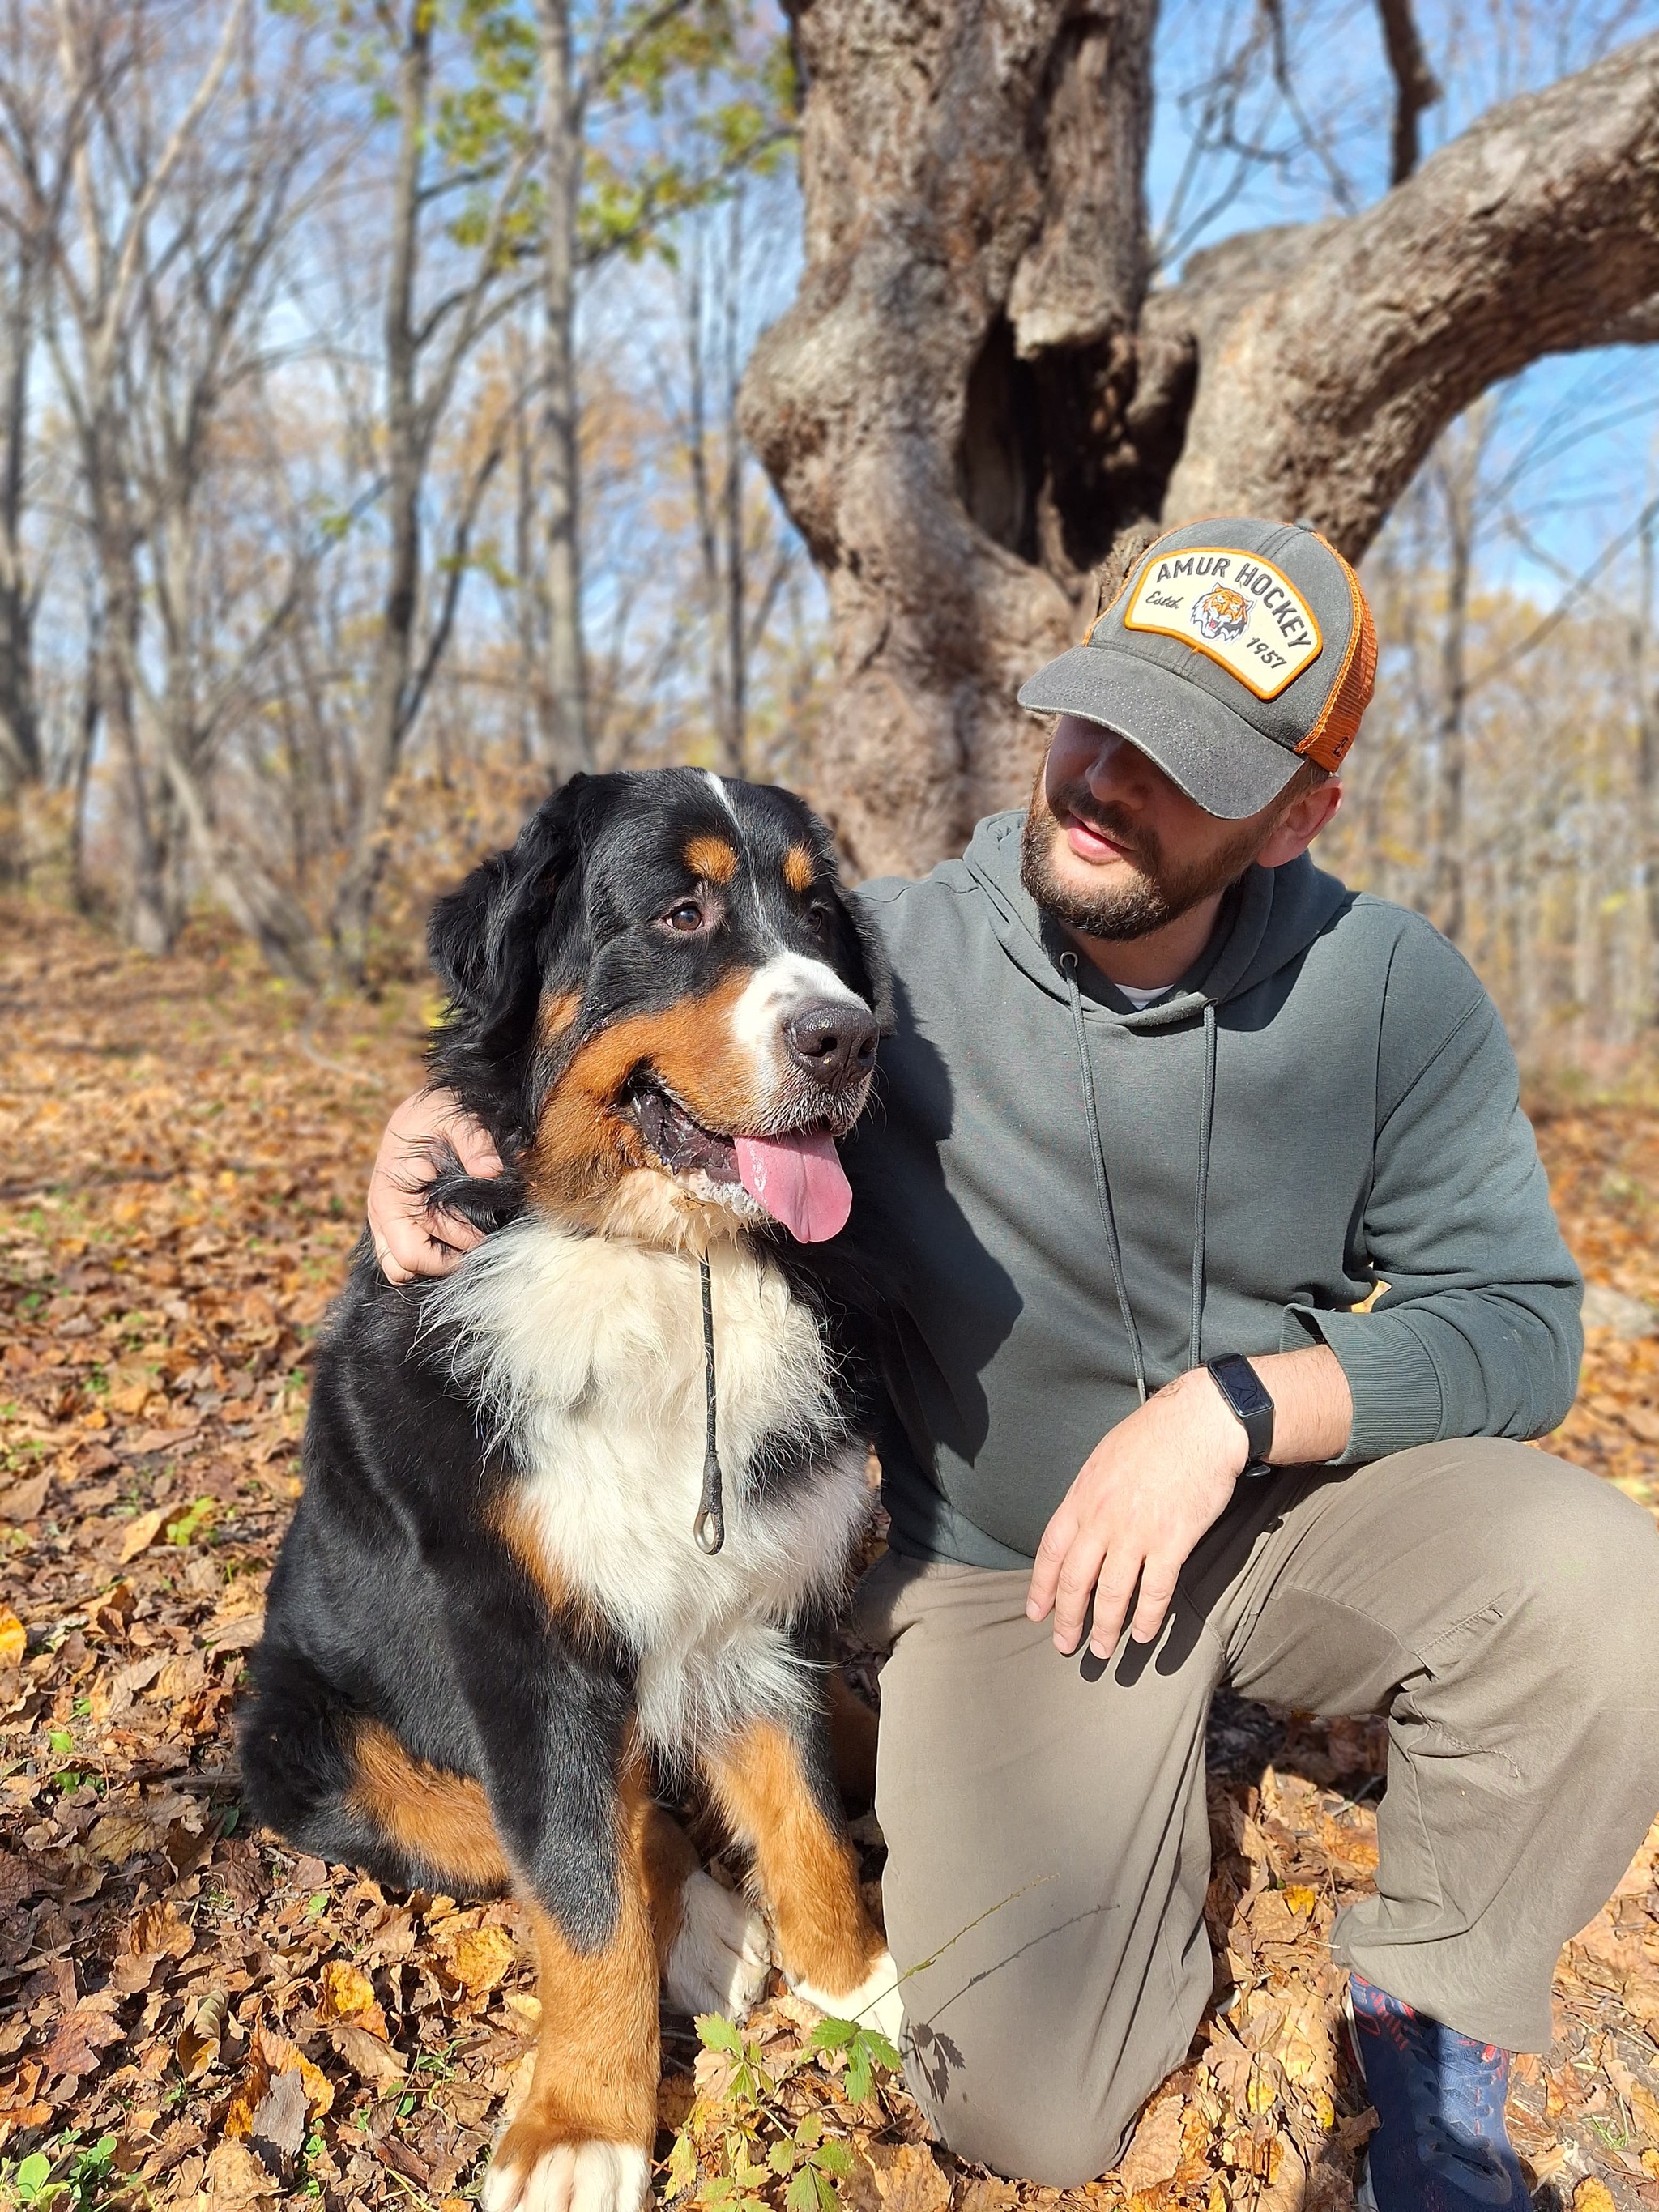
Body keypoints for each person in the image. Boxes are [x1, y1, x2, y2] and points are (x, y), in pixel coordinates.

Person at [366, 518, 1659, 2207]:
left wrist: (1238, 1407)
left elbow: (1519, 1319)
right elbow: (630, 1026)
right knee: (1033, 2115)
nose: (1103, 781)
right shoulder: (882, 965)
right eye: (1092, 716)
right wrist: (427, 1123)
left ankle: (1429, 2026)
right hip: (1005, 1582)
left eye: (1181, 763)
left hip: (1286, 1516)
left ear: (1296, 814)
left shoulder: (1389, 993)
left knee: (1601, 1575)